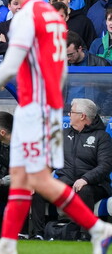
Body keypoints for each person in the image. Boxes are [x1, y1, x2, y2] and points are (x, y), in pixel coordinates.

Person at [0, 0, 112, 254]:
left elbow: (9, 67)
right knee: (23, 176)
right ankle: (8, 245)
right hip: (49, 105)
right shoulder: (54, 17)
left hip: (36, 107)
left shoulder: (26, 17)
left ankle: (97, 228)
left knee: (38, 179)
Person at [28, 98, 112, 239]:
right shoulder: (63, 134)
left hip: (94, 185)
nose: (69, 114)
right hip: (65, 182)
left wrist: (85, 179)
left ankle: (84, 235)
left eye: (72, 112)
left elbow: (105, 166)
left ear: (82, 116)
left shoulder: (101, 137)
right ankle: (39, 234)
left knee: (84, 190)